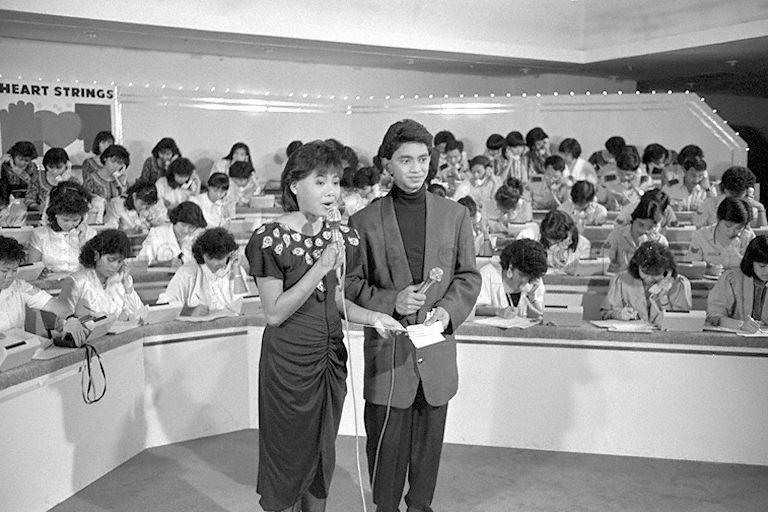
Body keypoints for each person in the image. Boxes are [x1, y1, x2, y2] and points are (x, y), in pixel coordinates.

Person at [245, 139, 402, 512]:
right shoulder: (269, 239)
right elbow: (275, 313)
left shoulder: (343, 236)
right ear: (294, 185)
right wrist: (319, 265)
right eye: (320, 181)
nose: (331, 191)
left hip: (330, 357)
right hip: (287, 363)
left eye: (336, 182)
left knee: (322, 449)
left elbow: (335, 301)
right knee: (286, 451)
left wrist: (373, 316)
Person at [345, 119, 481, 512]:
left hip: (436, 355)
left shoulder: (455, 215)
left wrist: (446, 312)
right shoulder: (364, 221)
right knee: (385, 456)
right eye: (406, 160)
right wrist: (391, 302)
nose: (416, 168)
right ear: (387, 163)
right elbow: (351, 286)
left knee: (427, 458)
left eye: (423, 159)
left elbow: (468, 276)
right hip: (389, 359)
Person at [0, 235, 86, 342]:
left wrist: (70, 318)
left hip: (18, 349)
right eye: (4, 270)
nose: (9, 276)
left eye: (14, 270)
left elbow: (52, 304)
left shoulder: (20, 286)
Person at [58, 229, 145, 322]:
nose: (115, 266)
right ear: (96, 255)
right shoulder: (77, 281)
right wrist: (88, 321)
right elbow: (60, 323)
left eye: (120, 261)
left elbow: (140, 314)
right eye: (111, 259)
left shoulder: (121, 280)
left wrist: (127, 284)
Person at [158, 227, 247, 316]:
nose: (217, 263)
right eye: (212, 258)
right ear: (202, 255)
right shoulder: (187, 273)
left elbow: (244, 306)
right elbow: (165, 306)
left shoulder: (236, 269)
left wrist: (236, 269)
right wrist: (189, 311)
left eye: (221, 258)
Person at [601, 241, 691, 326]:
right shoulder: (621, 280)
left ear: (667, 270)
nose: (648, 279)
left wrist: (664, 300)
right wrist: (619, 314)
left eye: (655, 274)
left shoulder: (679, 284)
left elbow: (681, 325)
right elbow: (605, 314)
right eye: (645, 273)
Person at [28, 182, 96, 275]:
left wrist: (83, 242)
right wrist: (40, 272)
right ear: (55, 214)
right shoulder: (40, 234)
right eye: (65, 220)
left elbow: (93, 269)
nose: (70, 224)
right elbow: (32, 271)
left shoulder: (90, 234)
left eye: (75, 220)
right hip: (47, 286)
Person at [706, 235, 768, 333]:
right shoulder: (731, 279)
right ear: (751, 261)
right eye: (762, 266)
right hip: (734, 339)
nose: (767, 271)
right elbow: (713, 316)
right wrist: (740, 325)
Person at [475, 238, 547, 318]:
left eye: (529, 277)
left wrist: (532, 299)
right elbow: (475, 308)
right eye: (522, 275)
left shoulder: (535, 280)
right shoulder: (488, 273)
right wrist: (499, 312)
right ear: (511, 267)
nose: (525, 280)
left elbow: (537, 317)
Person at [689, 197, 755, 277]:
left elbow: (758, 268)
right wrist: (707, 270)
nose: (731, 232)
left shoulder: (749, 238)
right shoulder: (700, 236)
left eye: (738, 228)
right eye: (728, 226)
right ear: (718, 218)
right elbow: (691, 268)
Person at [604, 192, 669, 273]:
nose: (643, 231)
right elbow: (605, 263)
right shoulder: (616, 236)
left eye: (650, 227)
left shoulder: (660, 242)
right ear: (633, 220)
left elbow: (663, 272)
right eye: (640, 225)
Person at [519, 210, 591, 274]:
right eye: (549, 238)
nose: (553, 243)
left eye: (557, 240)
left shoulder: (583, 244)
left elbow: (579, 271)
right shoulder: (530, 235)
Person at [694, 166, 767, 228]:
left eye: (739, 194)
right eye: (732, 193)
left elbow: (762, 235)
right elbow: (695, 226)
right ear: (724, 189)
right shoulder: (710, 204)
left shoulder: (751, 206)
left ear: (747, 191)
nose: (735, 198)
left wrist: (761, 208)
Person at [137, 201, 206, 266]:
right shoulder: (156, 234)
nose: (186, 230)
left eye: (191, 227)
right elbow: (142, 263)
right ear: (175, 220)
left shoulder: (198, 236)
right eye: (183, 225)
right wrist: (165, 264)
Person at [597, 145, 653, 211]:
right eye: (620, 173)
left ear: (636, 171)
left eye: (628, 174)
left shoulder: (644, 180)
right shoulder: (607, 179)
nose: (624, 177)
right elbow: (600, 201)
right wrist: (608, 206)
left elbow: (650, 204)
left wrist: (637, 188)